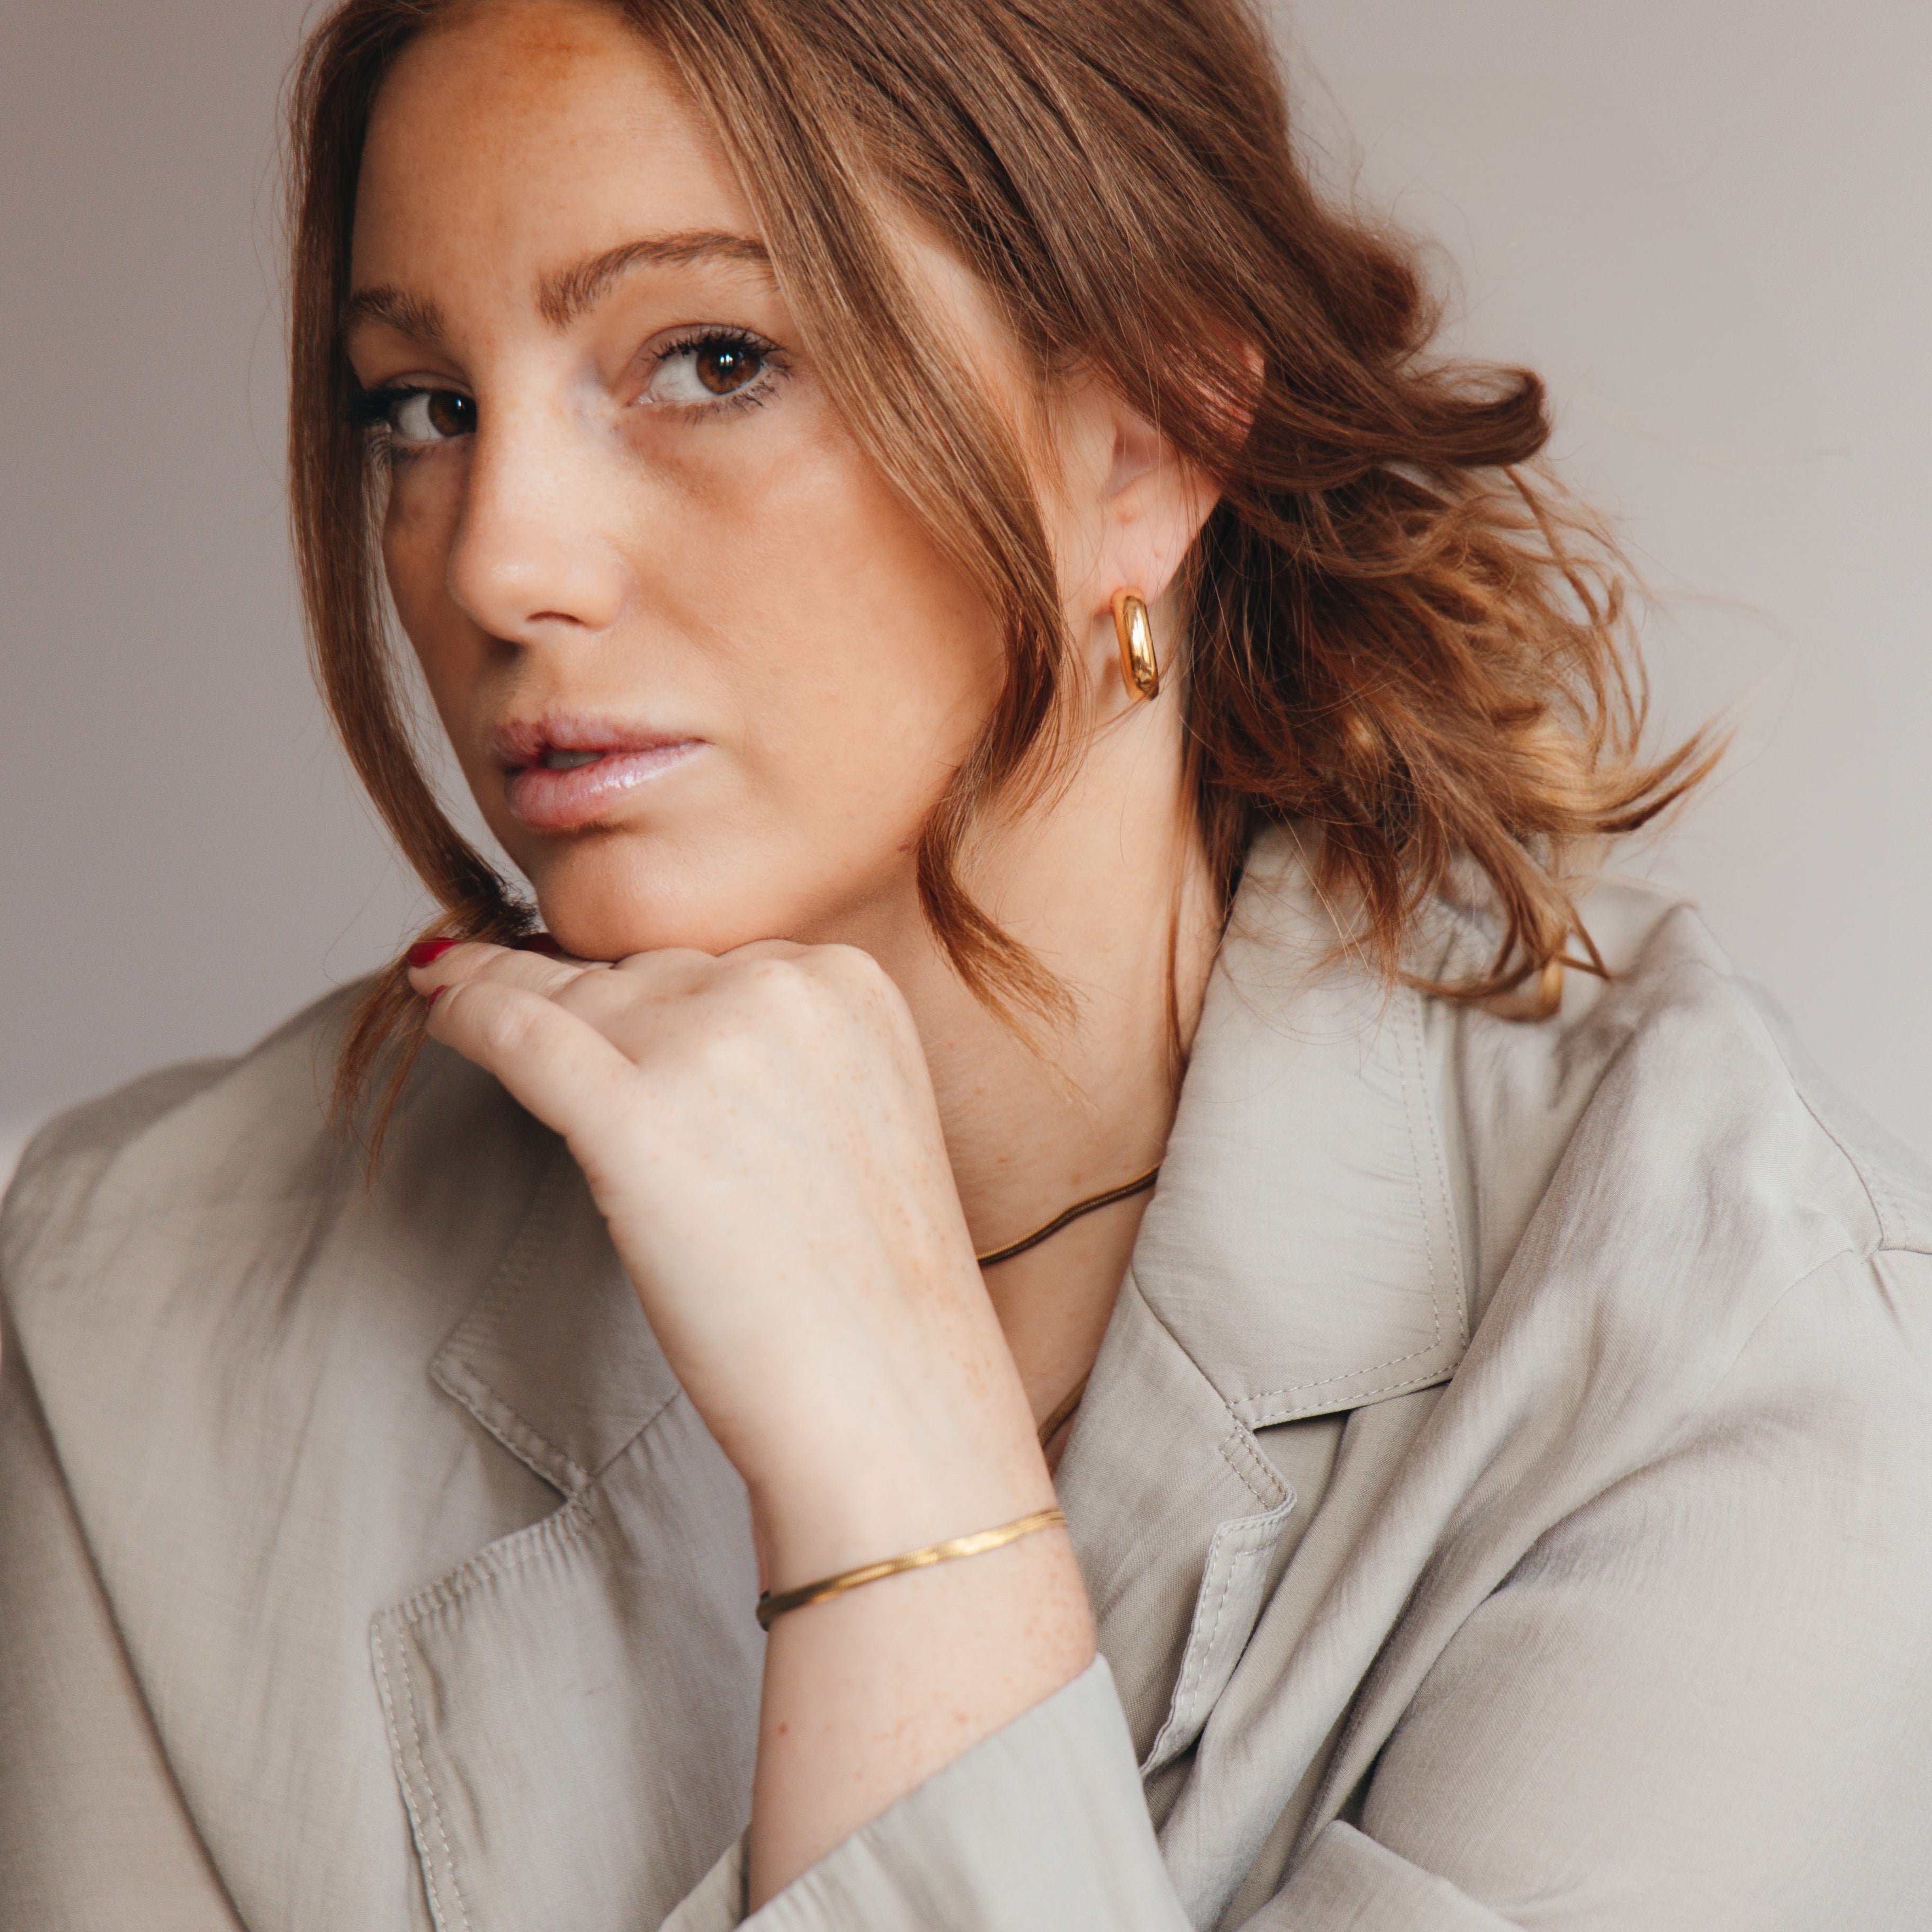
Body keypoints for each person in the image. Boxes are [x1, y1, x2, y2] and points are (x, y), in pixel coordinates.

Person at [4, 0, 1929, 1925]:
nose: (499, 560)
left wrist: (908, 1502)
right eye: (420, 404)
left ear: (1150, 433)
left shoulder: (1741, 1373)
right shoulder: (135, 1313)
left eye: (712, 358)